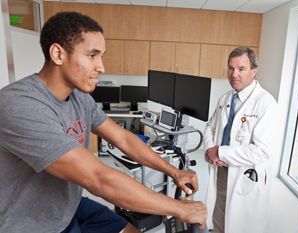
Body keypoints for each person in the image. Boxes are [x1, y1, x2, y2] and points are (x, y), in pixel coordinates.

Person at [0, 11, 207, 233]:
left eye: (101, 56)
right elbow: (98, 178)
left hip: (69, 207)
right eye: (92, 56)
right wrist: (179, 209)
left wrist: (174, 172)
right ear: (58, 54)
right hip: (30, 224)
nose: (101, 67)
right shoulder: (20, 105)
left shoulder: (80, 97)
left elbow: (123, 138)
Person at [203, 47, 278, 233]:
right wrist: (211, 151)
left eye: (241, 69)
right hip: (221, 171)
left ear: (254, 70)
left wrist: (220, 152)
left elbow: (262, 150)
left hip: (246, 176)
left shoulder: (266, 104)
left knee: (241, 225)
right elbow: (210, 127)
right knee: (219, 219)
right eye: (230, 68)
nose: (234, 74)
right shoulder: (225, 98)